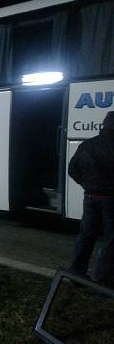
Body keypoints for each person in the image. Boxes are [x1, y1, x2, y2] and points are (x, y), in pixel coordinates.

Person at [68, 111, 114, 288]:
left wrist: (87, 185)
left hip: (90, 197)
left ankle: (76, 274)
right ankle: (104, 279)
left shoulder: (87, 145)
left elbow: (72, 170)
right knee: (111, 239)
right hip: (111, 199)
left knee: (86, 236)